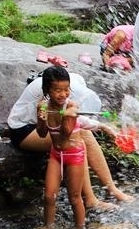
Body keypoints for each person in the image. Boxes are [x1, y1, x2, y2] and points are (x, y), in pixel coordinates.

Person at [7, 69, 132, 210]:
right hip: (23, 131)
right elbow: (59, 122)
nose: (65, 93)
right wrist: (103, 127)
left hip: (44, 127)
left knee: (81, 133)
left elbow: (75, 116)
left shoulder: (60, 89)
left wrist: (102, 126)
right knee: (79, 137)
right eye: (62, 90)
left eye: (67, 89)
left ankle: (111, 189)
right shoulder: (49, 92)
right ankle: (93, 198)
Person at [35, 66, 120, 229]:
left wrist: (69, 116)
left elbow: (66, 132)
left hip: (74, 155)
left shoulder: (72, 106)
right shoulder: (43, 106)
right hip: (56, 154)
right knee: (49, 195)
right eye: (57, 90)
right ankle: (48, 225)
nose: (63, 94)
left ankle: (79, 227)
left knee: (74, 197)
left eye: (66, 90)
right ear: (47, 90)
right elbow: (43, 133)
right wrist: (41, 120)